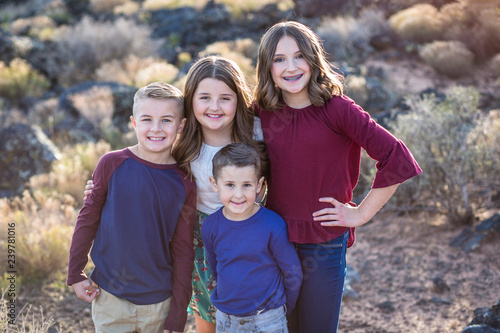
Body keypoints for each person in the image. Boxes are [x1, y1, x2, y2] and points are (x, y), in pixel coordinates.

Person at [252, 20, 422, 333]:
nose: (291, 67)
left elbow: (396, 156)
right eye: (279, 59)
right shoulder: (261, 112)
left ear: (313, 59)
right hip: (274, 240)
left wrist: (361, 213)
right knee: (278, 328)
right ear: (268, 67)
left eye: (299, 56)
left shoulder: (338, 110)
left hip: (325, 241)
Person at [84, 56, 264, 333]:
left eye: (225, 98)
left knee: (250, 310)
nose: (214, 107)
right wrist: (102, 190)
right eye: (204, 97)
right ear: (190, 102)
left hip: (247, 231)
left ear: (238, 99)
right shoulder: (183, 146)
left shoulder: (255, 136)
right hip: (200, 237)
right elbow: (145, 175)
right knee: (207, 310)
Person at [68, 82, 197, 333]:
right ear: (134, 122)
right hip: (109, 297)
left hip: (159, 302)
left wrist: (178, 313)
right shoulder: (112, 163)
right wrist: (75, 272)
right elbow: (87, 219)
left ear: (181, 125)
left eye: (166, 120)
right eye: (147, 119)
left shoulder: (184, 183)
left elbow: (183, 250)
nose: (156, 128)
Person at [202, 143, 302, 332]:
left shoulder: (273, 225)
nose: (238, 195)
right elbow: (216, 269)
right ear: (214, 184)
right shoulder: (210, 226)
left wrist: (282, 307)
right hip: (226, 319)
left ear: (259, 185)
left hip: (267, 318)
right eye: (230, 185)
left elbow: (292, 272)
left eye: (246, 185)